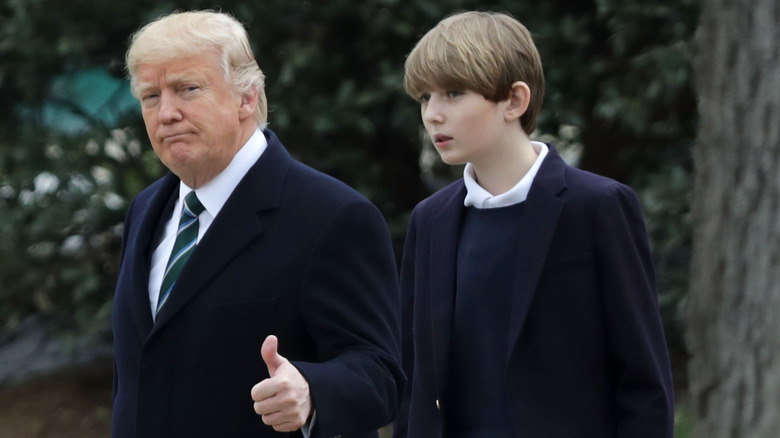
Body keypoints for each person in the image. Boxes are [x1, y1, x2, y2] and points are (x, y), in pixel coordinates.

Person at [112, 10, 404, 438]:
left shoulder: (332, 215)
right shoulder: (145, 210)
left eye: (187, 89)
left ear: (247, 97)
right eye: (150, 96)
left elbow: (381, 375)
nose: (166, 113)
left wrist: (311, 392)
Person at [393, 11, 674, 438]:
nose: (432, 114)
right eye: (424, 98)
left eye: (453, 92)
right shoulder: (430, 220)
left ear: (514, 100)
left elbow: (644, 382)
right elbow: (415, 380)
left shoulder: (597, 207)